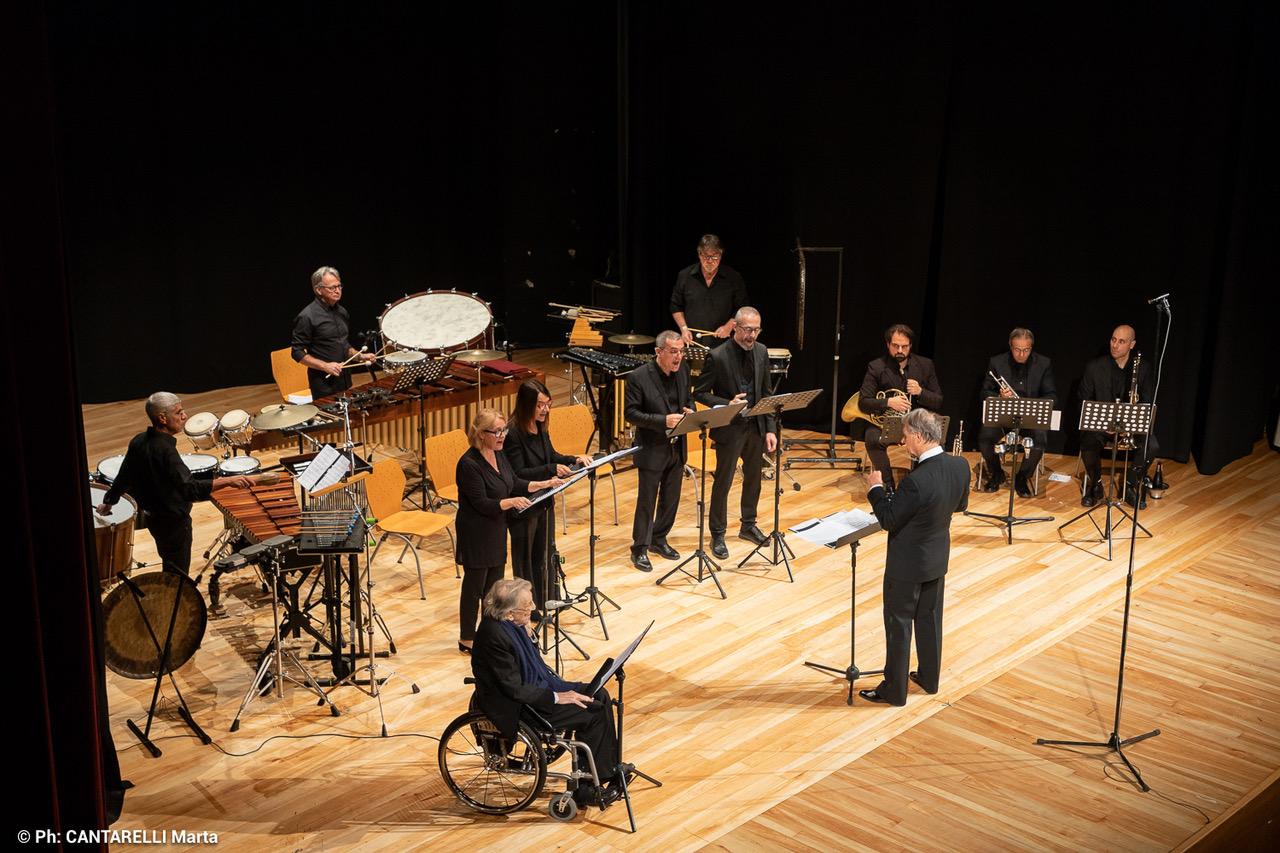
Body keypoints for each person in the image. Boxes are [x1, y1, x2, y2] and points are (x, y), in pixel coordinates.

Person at [471, 578, 626, 806]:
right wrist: (558, 697)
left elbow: (529, 664)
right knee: (591, 712)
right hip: (520, 706)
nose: (534, 608)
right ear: (510, 612)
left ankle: (607, 772)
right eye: (528, 606)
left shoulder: (510, 624)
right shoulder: (494, 636)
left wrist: (528, 634)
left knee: (599, 695)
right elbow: (514, 688)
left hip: (536, 690)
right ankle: (586, 787)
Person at [859, 410, 969, 707]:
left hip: (906, 565)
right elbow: (960, 505)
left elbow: (888, 519)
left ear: (919, 436)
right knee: (930, 620)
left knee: (899, 624)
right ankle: (929, 679)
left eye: (906, 435)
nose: (903, 441)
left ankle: (894, 691)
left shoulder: (916, 480)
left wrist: (875, 489)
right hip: (936, 559)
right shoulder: (961, 466)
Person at [96, 392, 253, 576]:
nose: (184, 416)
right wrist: (229, 481)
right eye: (179, 412)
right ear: (162, 418)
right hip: (174, 524)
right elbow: (189, 489)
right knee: (178, 577)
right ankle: (175, 602)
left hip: (154, 520)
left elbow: (123, 478)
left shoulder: (138, 441)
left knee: (169, 565)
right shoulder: (166, 452)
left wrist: (108, 502)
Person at [455, 408, 560, 652]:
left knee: (494, 585)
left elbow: (514, 483)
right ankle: (467, 637)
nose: (502, 436)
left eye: (504, 430)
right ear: (481, 434)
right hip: (477, 531)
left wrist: (545, 483)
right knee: (475, 586)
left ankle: (490, 630)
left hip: (497, 528)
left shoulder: (498, 454)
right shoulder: (468, 464)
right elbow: (482, 503)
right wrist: (512, 502)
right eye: (497, 432)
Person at [692, 307, 778, 558]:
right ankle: (717, 533)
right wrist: (725, 403)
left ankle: (748, 525)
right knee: (724, 481)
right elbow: (699, 392)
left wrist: (770, 429)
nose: (752, 335)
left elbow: (767, 394)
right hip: (730, 429)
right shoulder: (717, 356)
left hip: (756, 427)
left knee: (754, 478)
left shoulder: (761, 351)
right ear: (736, 328)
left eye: (756, 330)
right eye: (748, 330)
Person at [504, 379, 592, 614]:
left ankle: (547, 600)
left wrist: (573, 460)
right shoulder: (512, 433)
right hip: (524, 505)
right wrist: (551, 469)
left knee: (544, 553)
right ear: (526, 405)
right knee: (525, 560)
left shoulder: (540, 426)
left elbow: (550, 455)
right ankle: (526, 609)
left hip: (544, 499)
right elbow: (517, 474)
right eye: (540, 405)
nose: (545, 409)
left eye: (548, 404)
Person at [624, 330, 692, 572]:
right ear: (658, 352)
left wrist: (690, 412)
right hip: (653, 448)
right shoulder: (639, 377)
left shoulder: (683, 370)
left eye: (681, 351)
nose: (678, 357)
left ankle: (659, 539)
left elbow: (688, 400)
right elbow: (631, 414)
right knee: (647, 501)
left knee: (671, 500)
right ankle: (639, 547)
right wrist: (663, 420)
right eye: (673, 352)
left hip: (677, 447)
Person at [1077, 324, 1159, 509]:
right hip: (1102, 425)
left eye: (1121, 341)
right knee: (1087, 440)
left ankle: (1130, 483)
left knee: (1151, 445)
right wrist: (1103, 422)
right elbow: (1083, 398)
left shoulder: (1143, 369)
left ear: (1132, 344)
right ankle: (1095, 484)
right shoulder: (1094, 367)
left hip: (1130, 426)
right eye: (1113, 340)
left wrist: (1129, 426)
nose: (1115, 345)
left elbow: (1147, 401)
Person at [856, 324, 944, 489]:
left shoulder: (925, 365)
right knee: (873, 438)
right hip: (887, 422)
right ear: (888, 344)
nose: (900, 350)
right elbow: (863, 402)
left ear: (910, 345)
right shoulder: (876, 367)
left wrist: (920, 392)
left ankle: (920, 483)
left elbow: (938, 400)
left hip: (917, 424)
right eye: (896, 346)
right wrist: (888, 402)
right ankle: (888, 486)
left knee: (934, 441)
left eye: (904, 346)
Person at [977, 327, 1058, 497]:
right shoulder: (997, 362)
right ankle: (996, 473)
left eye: (1026, 350)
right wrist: (999, 395)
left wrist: (1032, 404)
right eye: (1017, 349)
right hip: (1003, 416)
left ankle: (1022, 477)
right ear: (1010, 346)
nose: (1021, 354)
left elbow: (1051, 395)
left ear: (1031, 347)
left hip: (1029, 417)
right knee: (985, 436)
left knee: (1040, 438)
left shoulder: (1043, 364)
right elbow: (984, 392)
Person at [290, 265, 376, 400]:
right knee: (332, 420)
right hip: (324, 385)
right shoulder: (307, 316)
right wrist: (325, 366)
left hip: (345, 380)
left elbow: (344, 345)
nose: (337, 291)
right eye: (332, 288)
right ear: (318, 290)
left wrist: (359, 356)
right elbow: (297, 352)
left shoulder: (342, 312)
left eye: (339, 286)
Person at [670, 234, 748, 345]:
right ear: (699, 254)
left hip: (724, 343)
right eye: (706, 256)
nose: (710, 260)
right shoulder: (685, 276)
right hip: (692, 341)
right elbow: (675, 305)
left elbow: (742, 308)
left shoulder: (733, 278)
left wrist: (729, 326)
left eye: (714, 256)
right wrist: (683, 328)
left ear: (720, 255)